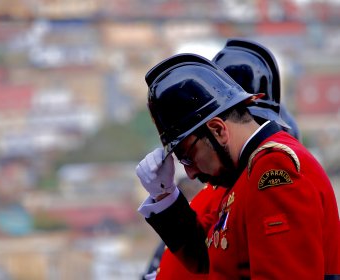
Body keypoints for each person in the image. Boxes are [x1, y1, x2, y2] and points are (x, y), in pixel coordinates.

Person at [136, 53, 340, 279]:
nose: (191, 173)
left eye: (188, 156)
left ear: (218, 130)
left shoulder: (273, 169)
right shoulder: (243, 173)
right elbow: (203, 258)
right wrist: (165, 196)